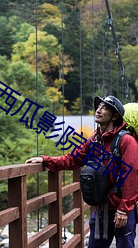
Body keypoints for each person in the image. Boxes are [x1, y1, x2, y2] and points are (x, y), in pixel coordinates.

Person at [25, 95, 138, 248]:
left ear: (115, 116)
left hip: (121, 209)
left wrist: (124, 210)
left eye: (104, 108)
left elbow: (132, 177)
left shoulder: (126, 141)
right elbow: (73, 159)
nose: (98, 110)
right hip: (101, 208)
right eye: (98, 107)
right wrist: (46, 160)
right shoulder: (93, 141)